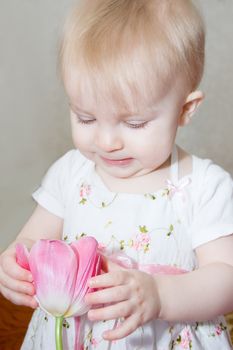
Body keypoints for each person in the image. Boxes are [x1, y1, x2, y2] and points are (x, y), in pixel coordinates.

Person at [1, 0, 233, 348]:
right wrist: (15, 263)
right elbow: (32, 240)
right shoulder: (71, 173)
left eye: (134, 123)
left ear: (185, 109)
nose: (107, 142)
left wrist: (161, 294)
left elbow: (226, 279)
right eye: (86, 117)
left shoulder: (204, 187)